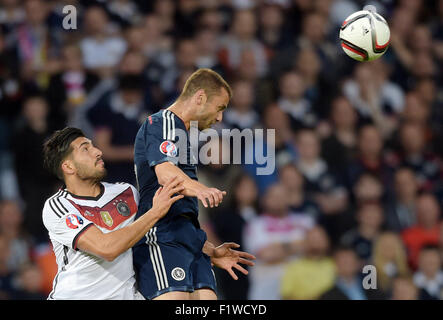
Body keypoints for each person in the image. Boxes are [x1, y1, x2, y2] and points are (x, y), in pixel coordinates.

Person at [133, 68, 256, 300]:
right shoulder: (163, 122)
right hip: (162, 238)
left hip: (190, 242)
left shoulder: (183, 135)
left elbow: (182, 211)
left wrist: (210, 249)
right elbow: (165, 173)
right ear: (200, 97)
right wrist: (201, 188)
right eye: (220, 108)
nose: (220, 118)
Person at [41, 127, 185, 300]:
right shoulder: (59, 206)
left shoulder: (127, 192)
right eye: (85, 149)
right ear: (68, 167)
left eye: (93, 146)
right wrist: (154, 213)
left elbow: (160, 233)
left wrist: (206, 250)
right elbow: (107, 249)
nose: (98, 152)